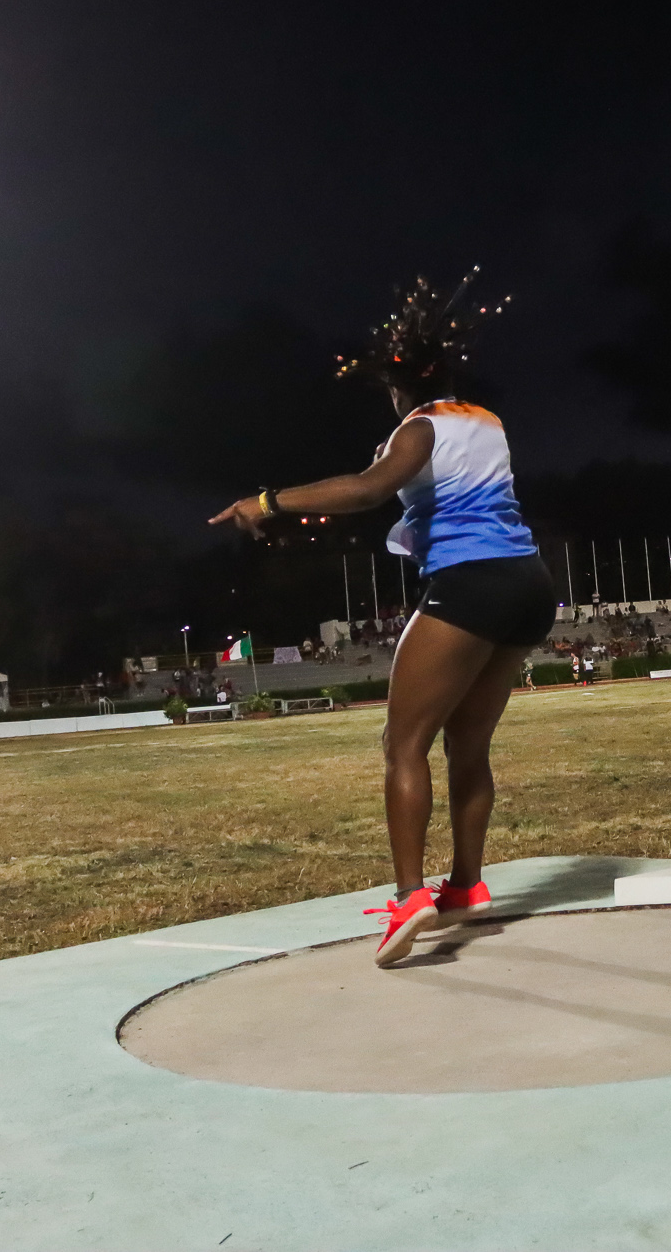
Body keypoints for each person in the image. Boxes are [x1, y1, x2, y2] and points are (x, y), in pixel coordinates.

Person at [210, 268, 552, 967]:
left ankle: (409, 896)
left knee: (403, 744)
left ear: (400, 388)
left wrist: (268, 502)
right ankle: (465, 884)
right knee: (468, 747)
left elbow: (369, 490)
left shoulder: (418, 426)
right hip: (529, 583)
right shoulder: (486, 421)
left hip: (472, 582)